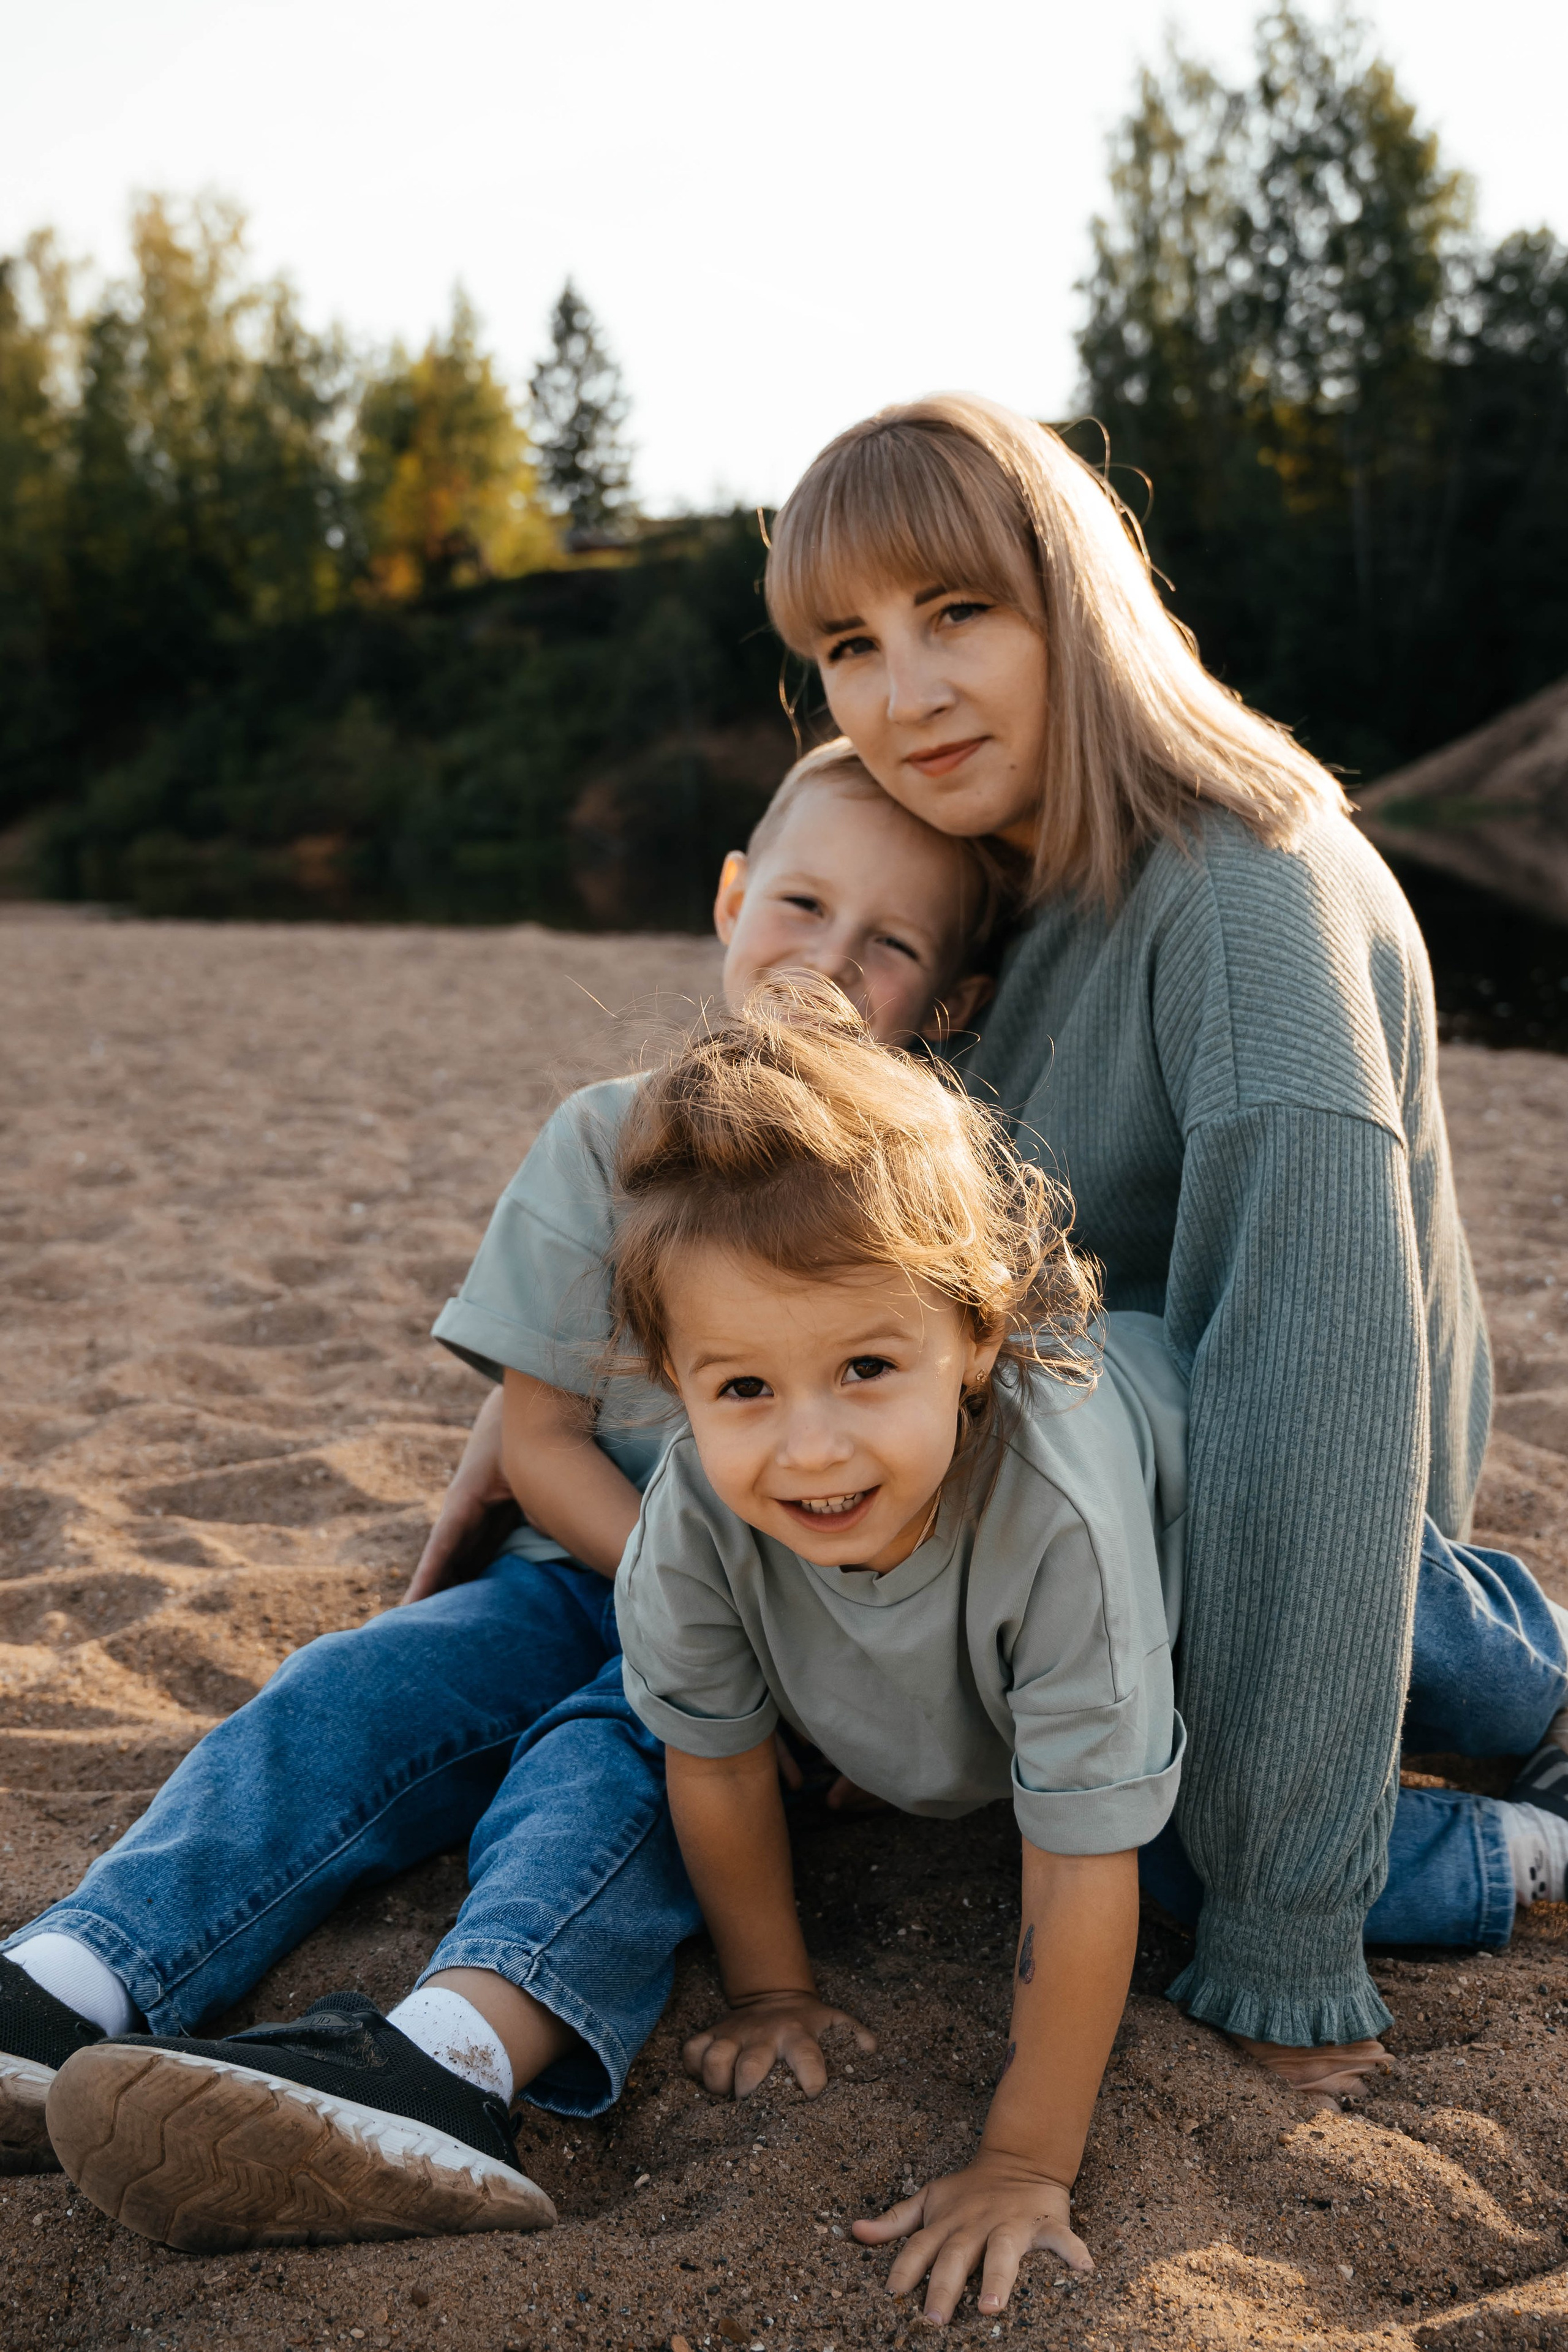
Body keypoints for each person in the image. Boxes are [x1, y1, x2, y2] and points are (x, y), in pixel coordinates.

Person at [415, 393, 1568, 2103]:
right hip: (1008, 1499)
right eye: (849, 647)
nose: (907, 694)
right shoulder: (996, 879)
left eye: (958, 613)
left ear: (1077, 595)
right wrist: (511, 1451)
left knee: (1164, 1863)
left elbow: (1316, 1416)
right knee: (544, 1673)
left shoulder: (1249, 900)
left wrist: (1280, 1934)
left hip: (1245, 1537)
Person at [0, 744, 1017, 2244]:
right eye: (801, 904)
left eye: (891, 943)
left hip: (796, 1625)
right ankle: (73, 1982)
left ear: (948, 1003)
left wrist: (739, 1637)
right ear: (732, 899)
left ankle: (451, 2062)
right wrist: (660, 1584)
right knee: (352, 1685)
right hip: (569, 1569)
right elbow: (535, 1441)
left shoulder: (914, 1182)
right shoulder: (601, 1139)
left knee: (611, 1765)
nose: (825, 963)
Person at [609, 982, 1186, 2325]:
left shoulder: (1057, 1511)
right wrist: (770, 1989)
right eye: (743, 1388)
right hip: (1019, 1657)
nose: (808, 1446)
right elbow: (714, 1757)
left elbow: (1082, 1847)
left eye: (867, 1366)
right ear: (676, 1384)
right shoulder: (693, 1505)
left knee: (1283, 1809)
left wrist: (1021, 2162)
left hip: (1227, 1554)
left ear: (977, 1331)